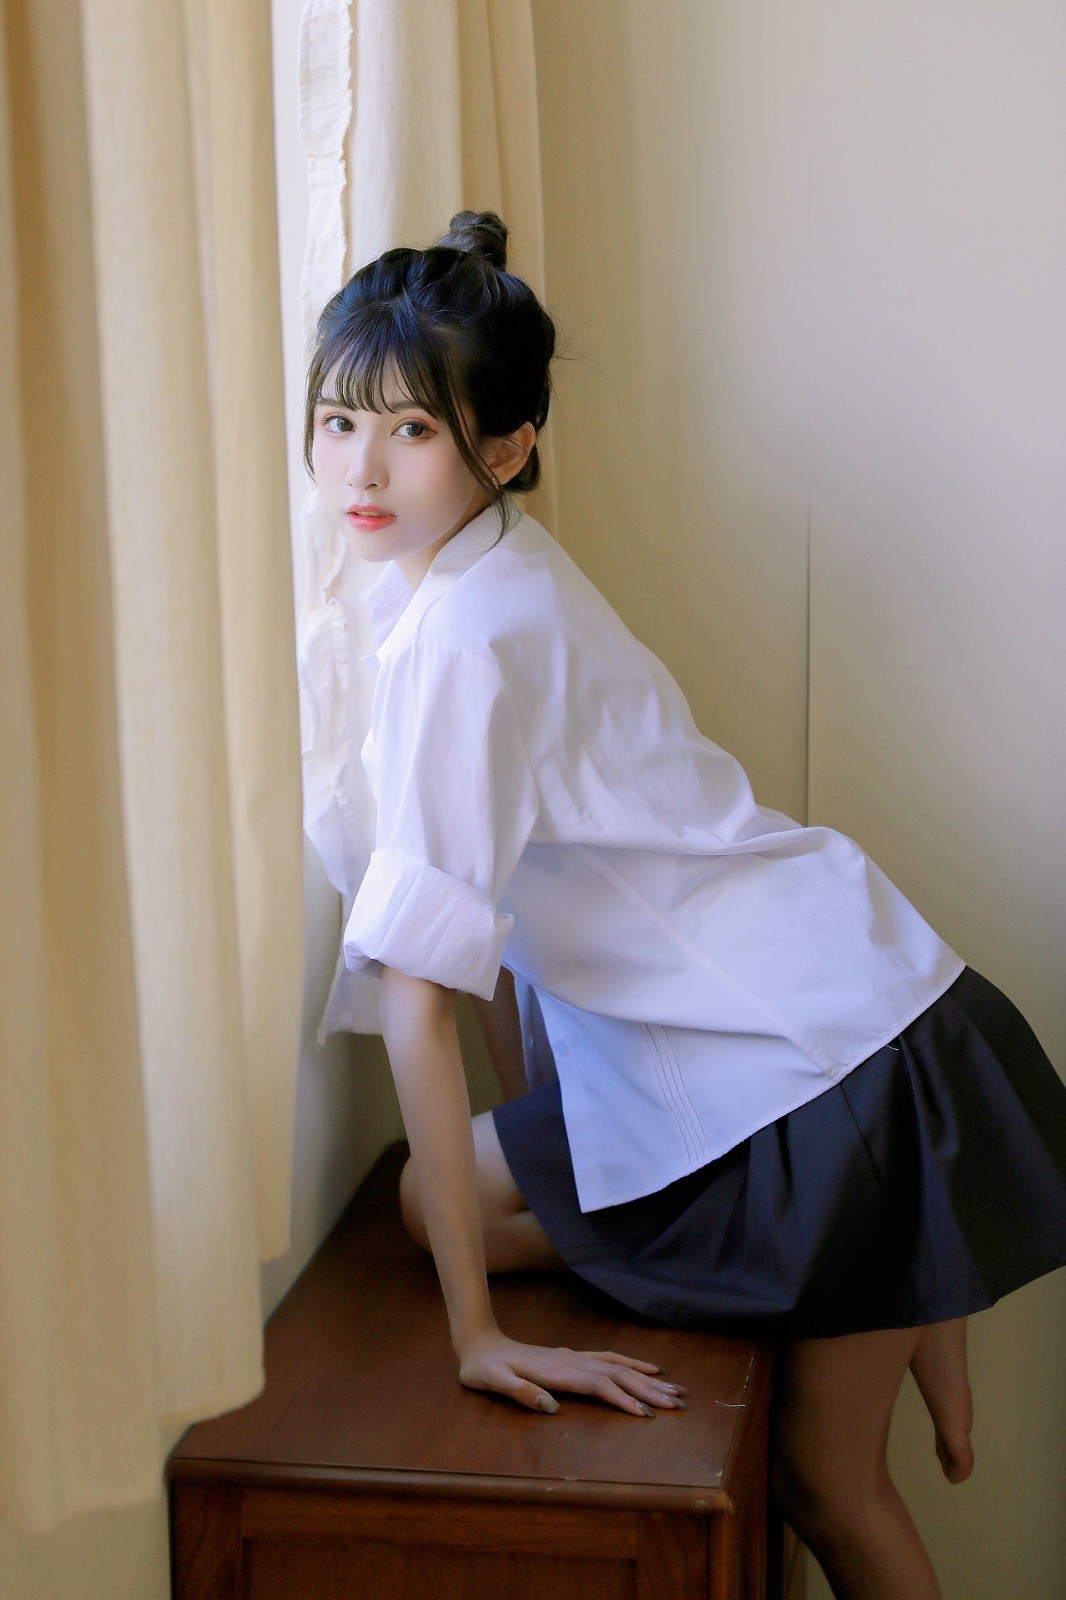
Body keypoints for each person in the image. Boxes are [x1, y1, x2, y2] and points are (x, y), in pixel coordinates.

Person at [303, 210, 1066, 1600]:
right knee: (470, 1201)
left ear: (507, 448)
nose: (361, 467)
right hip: (871, 1011)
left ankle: (907, 1281)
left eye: (411, 430)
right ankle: (913, 1289)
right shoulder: (496, 573)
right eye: (339, 420)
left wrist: (476, 1337)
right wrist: (546, 1124)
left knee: (827, 1487)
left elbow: (421, 993)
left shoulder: (466, 635)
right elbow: (497, 941)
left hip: (831, 1072)